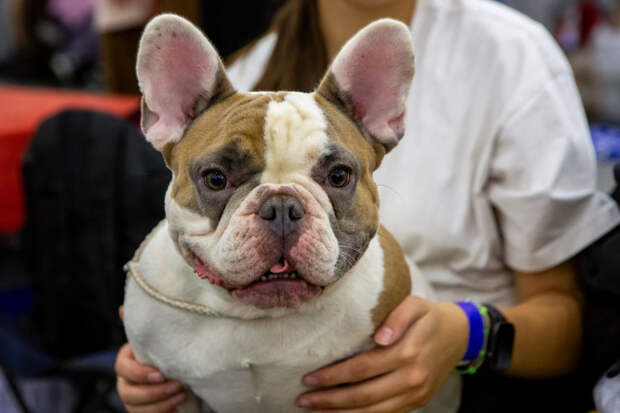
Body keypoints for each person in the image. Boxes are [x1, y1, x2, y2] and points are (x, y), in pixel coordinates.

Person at [114, 0, 620, 412]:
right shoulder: (243, 76)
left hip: (477, 386)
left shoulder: (509, 54)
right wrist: (158, 362)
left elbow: (571, 332)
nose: (282, 215)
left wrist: (462, 336)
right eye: (221, 179)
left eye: (336, 177)